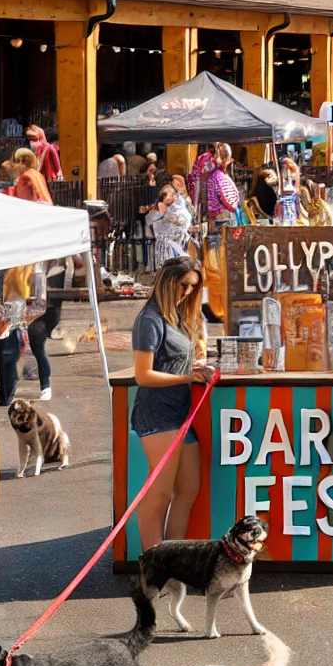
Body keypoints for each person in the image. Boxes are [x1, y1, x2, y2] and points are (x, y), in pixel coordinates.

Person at [130, 258, 216, 550]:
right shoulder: (150, 319)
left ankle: (174, 561)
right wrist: (187, 377)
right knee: (160, 494)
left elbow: (176, 361)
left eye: (193, 287)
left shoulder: (175, 315)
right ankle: (154, 567)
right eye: (183, 285)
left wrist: (197, 365)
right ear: (167, 281)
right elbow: (143, 375)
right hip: (156, 414)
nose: (188, 292)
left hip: (179, 413)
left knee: (189, 489)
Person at [145, 182, 192, 269]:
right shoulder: (166, 208)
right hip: (170, 247)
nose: (167, 197)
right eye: (164, 195)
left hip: (175, 247)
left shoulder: (179, 208)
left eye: (168, 194)